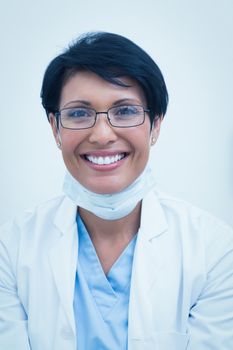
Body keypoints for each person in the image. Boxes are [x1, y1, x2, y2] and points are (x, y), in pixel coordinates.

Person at [0, 32, 233, 350]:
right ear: (55, 128)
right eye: (79, 113)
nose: (101, 134)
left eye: (125, 111)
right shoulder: (11, 249)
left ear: (156, 125)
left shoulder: (216, 252)